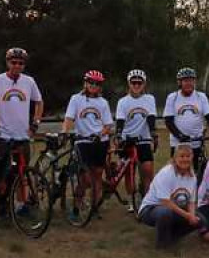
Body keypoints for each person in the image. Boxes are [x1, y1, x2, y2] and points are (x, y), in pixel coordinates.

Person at [0, 48, 43, 218]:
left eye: (20, 63)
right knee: (2, 172)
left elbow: (39, 102)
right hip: (3, 135)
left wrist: (35, 123)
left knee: (21, 172)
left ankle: (22, 204)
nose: (17, 66)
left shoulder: (29, 81)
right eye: (13, 62)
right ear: (7, 63)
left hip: (22, 135)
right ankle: (1, 204)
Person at [63, 70, 114, 218]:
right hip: (83, 141)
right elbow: (69, 118)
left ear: (100, 86)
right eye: (91, 83)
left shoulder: (103, 102)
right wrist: (65, 131)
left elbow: (108, 125)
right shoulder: (76, 99)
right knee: (84, 178)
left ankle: (95, 207)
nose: (93, 86)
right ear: (85, 83)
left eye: (97, 84)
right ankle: (77, 206)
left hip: (99, 142)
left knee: (97, 175)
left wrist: (100, 134)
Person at [137, 144, 199, 250]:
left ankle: (172, 236)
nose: (185, 159)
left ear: (192, 157)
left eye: (188, 156)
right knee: (165, 213)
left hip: (174, 209)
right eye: (182, 156)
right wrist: (187, 215)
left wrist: (192, 216)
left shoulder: (192, 176)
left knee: (201, 220)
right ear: (175, 158)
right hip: (150, 209)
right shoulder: (166, 173)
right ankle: (162, 245)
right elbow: (165, 202)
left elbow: (191, 202)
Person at [115, 69, 158, 211]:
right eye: (134, 82)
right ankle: (130, 200)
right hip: (127, 139)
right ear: (129, 84)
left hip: (143, 139)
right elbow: (120, 120)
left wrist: (153, 134)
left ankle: (147, 200)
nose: (136, 85)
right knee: (129, 172)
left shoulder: (149, 99)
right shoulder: (123, 102)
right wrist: (118, 134)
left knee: (147, 170)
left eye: (139, 83)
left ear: (144, 84)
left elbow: (151, 117)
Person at [163, 67, 209, 184]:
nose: (188, 83)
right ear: (179, 82)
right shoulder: (173, 97)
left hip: (197, 141)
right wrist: (180, 135)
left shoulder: (201, 96)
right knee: (176, 172)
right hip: (178, 143)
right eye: (185, 80)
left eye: (191, 80)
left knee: (198, 172)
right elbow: (168, 120)